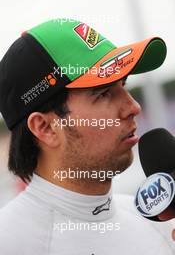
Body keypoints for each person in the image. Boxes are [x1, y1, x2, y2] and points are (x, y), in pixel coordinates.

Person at [0, 18, 173, 254]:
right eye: (103, 94)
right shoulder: (11, 242)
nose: (133, 107)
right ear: (46, 128)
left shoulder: (157, 221)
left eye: (124, 85)